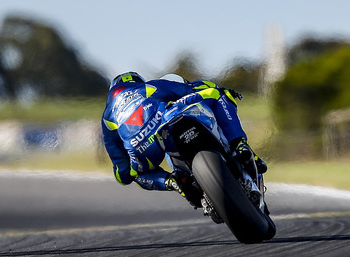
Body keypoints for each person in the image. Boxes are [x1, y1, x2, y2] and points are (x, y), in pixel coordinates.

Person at [100, 71, 266, 209]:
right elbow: (188, 90)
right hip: (165, 119)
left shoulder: (107, 118)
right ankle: (239, 144)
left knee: (135, 174)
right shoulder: (147, 87)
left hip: (142, 148)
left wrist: (129, 167)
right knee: (217, 95)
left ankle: (172, 182)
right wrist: (224, 92)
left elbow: (123, 175)